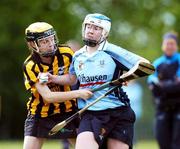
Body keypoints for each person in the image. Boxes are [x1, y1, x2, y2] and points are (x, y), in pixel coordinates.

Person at [47, 13, 139, 149]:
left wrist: (127, 77)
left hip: (118, 112)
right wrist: (53, 78)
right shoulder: (78, 55)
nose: (90, 31)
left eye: (96, 28)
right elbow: (72, 79)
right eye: (88, 27)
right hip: (90, 113)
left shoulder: (112, 52)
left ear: (105, 32)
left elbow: (144, 65)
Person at [23, 22, 92, 149]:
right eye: (44, 41)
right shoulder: (30, 65)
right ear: (33, 44)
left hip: (68, 110)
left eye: (51, 39)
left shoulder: (66, 53)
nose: (50, 44)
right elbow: (48, 97)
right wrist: (79, 93)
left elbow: (72, 80)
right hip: (40, 114)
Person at [147, 32, 180, 149]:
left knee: (177, 144)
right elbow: (151, 82)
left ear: (176, 46)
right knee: (163, 142)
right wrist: (171, 84)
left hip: (178, 108)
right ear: (163, 45)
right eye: (167, 43)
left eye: (172, 43)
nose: (169, 46)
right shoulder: (157, 63)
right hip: (162, 108)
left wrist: (162, 86)